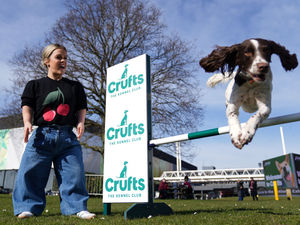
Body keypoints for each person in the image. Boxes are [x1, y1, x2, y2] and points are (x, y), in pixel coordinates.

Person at [12, 44, 95, 220]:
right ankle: (28, 207)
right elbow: (26, 105)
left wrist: (80, 122)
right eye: (59, 57)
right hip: (42, 136)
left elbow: (81, 107)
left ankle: (76, 207)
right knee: (30, 172)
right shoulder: (34, 85)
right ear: (47, 61)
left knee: (74, 173)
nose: (63, 61)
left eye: (65, 58)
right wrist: (27, 122)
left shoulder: (75, 86)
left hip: (67, 138)